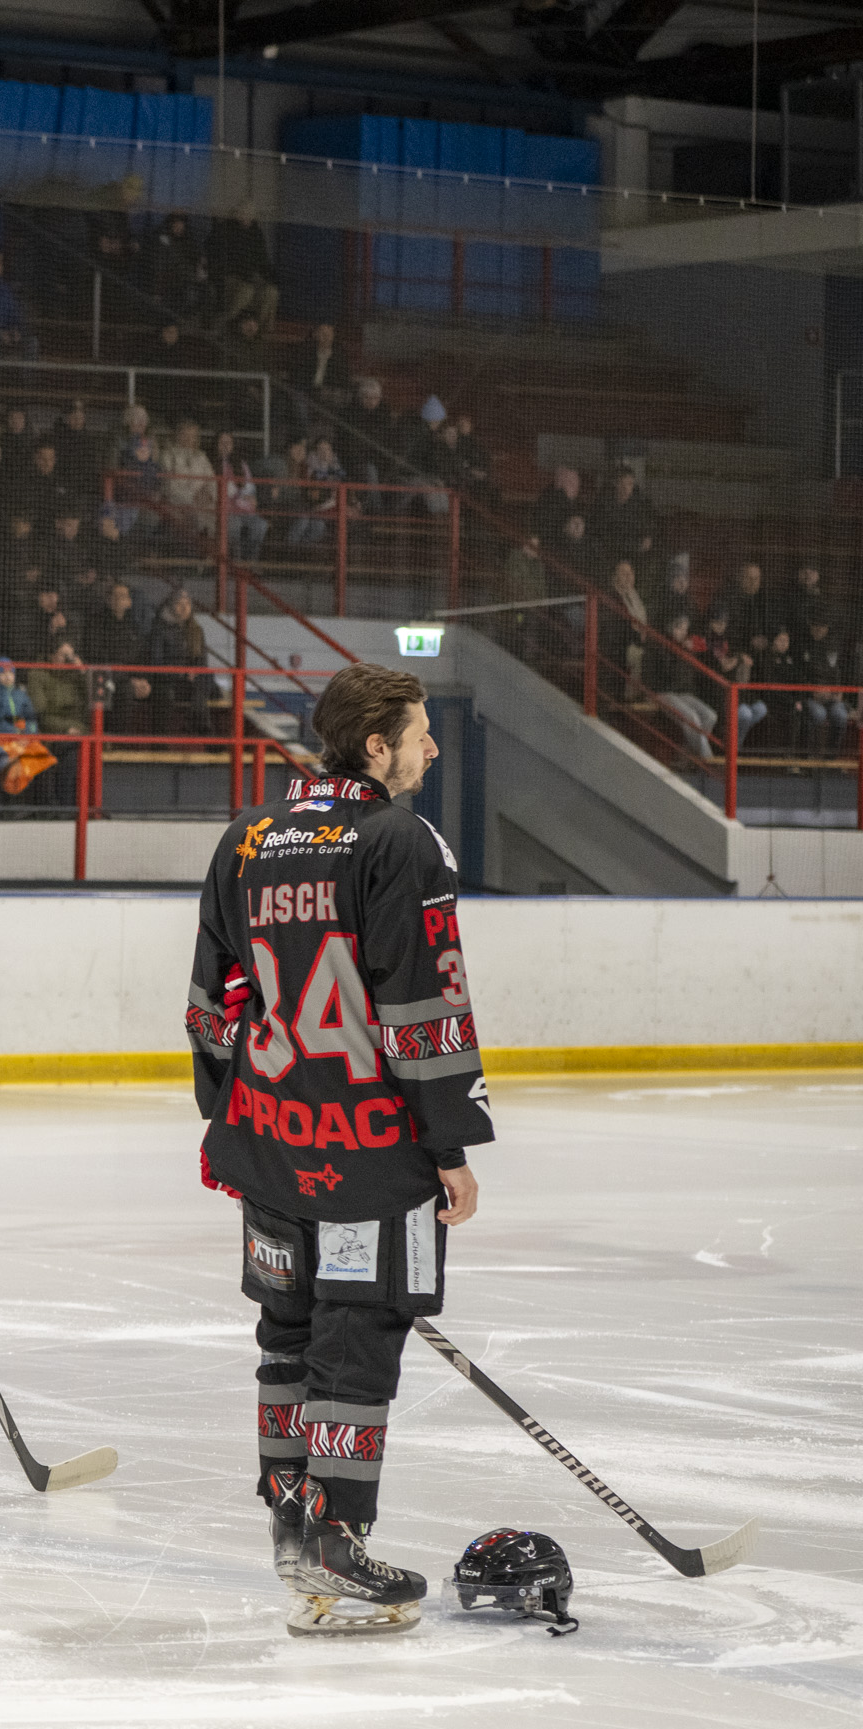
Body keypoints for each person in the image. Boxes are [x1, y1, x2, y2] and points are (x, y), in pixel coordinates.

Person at [187, 661, 494, 1636]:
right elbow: (425, 1004)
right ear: (376, 747)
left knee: (289, 1332)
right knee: (357, 1340)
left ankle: (294, 1524)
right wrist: (449, 1143)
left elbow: (212, 1004)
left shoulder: (247, 839)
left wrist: (224, 1117)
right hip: (371, 1150)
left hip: (270, 1143)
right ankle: (335, 1535)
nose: (432, 747)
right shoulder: (399, 840)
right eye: (418, 731)